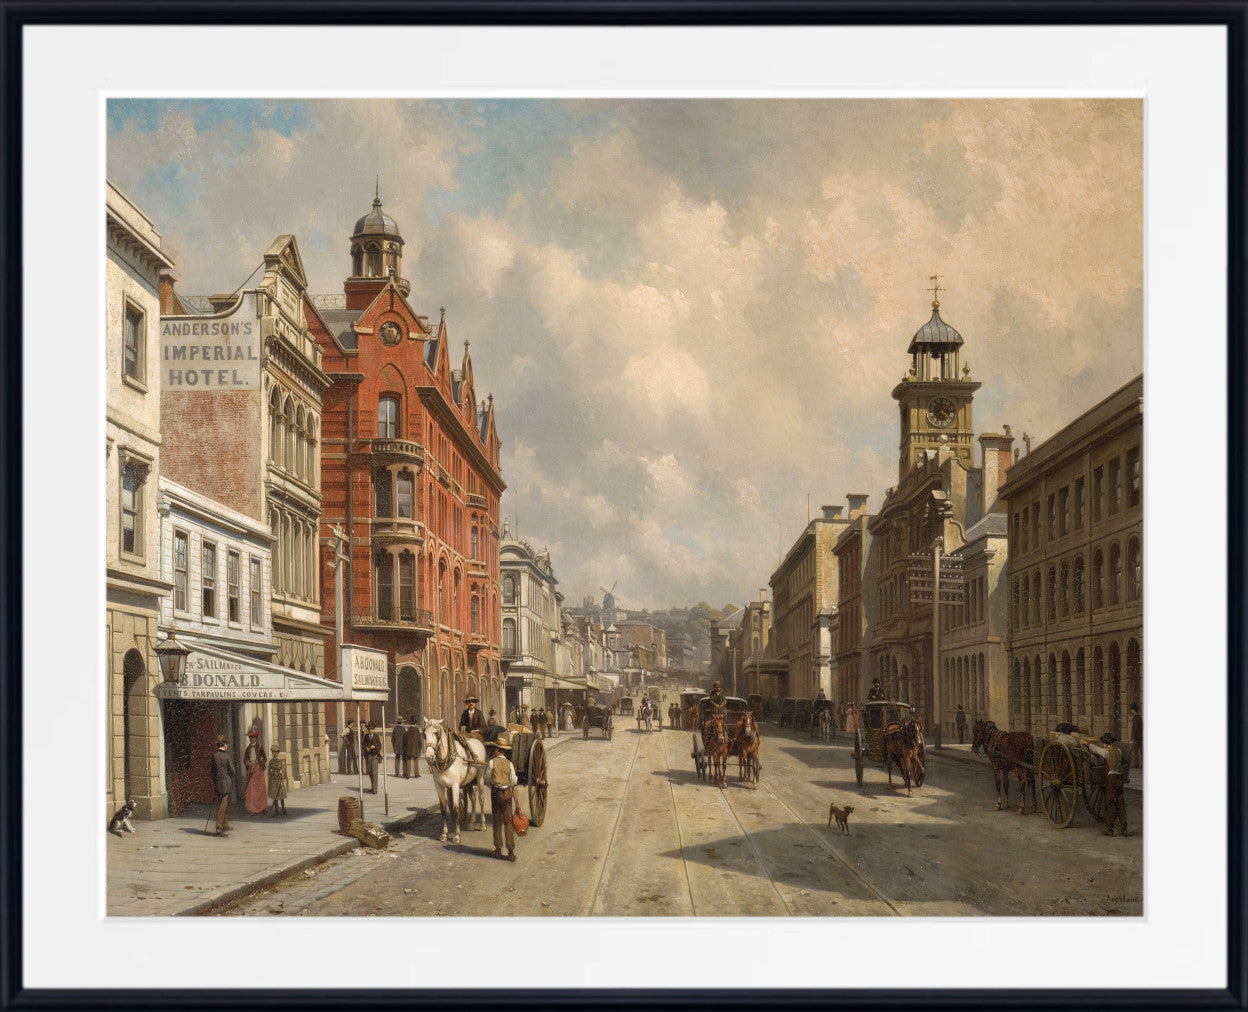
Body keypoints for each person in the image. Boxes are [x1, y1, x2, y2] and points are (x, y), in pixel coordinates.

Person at [1083, 732, 1128, 836]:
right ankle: (1124, 828)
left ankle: (1110, 829)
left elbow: (1095, 749)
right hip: (1119, 779)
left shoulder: (1106, 752)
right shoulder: (1118, 751)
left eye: (1103, 742)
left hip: (1112, 779)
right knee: (1120, 803)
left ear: (1105, 743)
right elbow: (1124, 761)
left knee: (1109, 803)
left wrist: (1086, 743)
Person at [485, 731, 518, 862]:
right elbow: (513, 781)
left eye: (495, 749)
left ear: (498, 750)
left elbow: (487, 779)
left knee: (497, 821)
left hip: (496, 793)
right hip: (508, 794)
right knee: (508, 822)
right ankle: (510, 852)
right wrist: (518, 803)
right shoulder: (509, 764)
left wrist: (492, 785)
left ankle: (498, 849)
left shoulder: (492, 763)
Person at [209, 734, 235, 837]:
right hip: (226, 784)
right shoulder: (226, 756)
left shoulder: (215, 756)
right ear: (224, 745)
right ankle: (219, 827)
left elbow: (212, 771)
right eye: (227, 744)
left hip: (218, 783)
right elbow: (232, 771)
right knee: (223, 805)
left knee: (223, 803)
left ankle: (225, 824)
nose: (227, 746)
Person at [243, 728, 268, 815]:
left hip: (259, 770)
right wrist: (248, 762)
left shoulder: (260, 747)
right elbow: (245, 759)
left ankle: (262, 807)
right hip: (251, 770)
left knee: (260, 790)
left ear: (256, 738)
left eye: (252, 737)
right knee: (252, 790)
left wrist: (259, 763)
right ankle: (253, 809)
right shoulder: (248, 748)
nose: (251, 739)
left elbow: (264, 758)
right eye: (250, 737)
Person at [266, 744, 289, 816]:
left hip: (279, 780)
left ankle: (283, 809)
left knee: (281, 796)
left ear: (277, 752)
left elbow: (283, 771)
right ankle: (276, 810)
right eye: (273, 752)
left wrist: (282, 781)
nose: (274, 753)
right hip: (273, 780)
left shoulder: (280, 761)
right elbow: (269, 771)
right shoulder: (271, 762)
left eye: (275, 752)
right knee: (274, 796)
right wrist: (269, 778)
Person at [362, 722, 381, 793]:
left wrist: (375, 747)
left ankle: (375, 789)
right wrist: (366, 748)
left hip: (374, 756)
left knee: (375, 773)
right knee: (369, 772)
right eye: (369, 729)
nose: (370, 730)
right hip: (368, 756)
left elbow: (380, 746)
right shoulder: (366, 736)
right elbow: (363, 745)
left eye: (372, 729)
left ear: (374, 729)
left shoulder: (376, 736)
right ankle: (373, 787)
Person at [1130, 703, 1143, 770]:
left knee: (1135, 751)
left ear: (1133, 710)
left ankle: (1136, 764)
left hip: (1137, 737)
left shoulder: (1135, 718)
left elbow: (1135, 728)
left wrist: (1133, 737)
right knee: (1141, 750)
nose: (1131, 711)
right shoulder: (1139, 717)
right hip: (1141, 736)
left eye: (1131, 710)